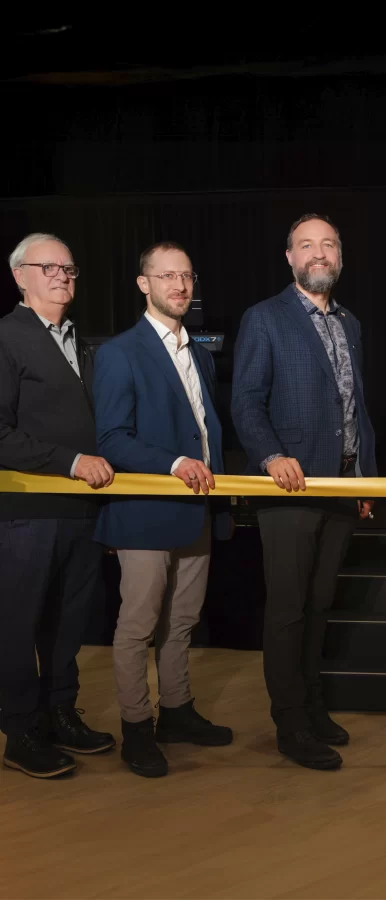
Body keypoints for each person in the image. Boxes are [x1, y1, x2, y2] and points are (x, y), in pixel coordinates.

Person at [231, 214, 376, 771]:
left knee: (319, 606)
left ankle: (312, 707)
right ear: (289, 257)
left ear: (340, 257)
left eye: (329, 245)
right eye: (307, 245)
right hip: (289, 489)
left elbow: (355, 408)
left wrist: (364, 477)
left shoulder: (351, 323)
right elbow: (245, 400)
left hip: (341, 487)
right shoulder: (264, 319)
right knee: (289, 611)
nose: (319, 253)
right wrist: (270, 456)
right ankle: (289, 724)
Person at [93, 241, 233, 779]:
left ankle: (176, 711)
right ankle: (136, 728)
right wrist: (174, 462)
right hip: (145, 511)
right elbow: (111, 439)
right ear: (143, 284)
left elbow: (206, 431)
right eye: (167, 276)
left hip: (196, 510)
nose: (180, 286)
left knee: (182, 622)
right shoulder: (120, 353)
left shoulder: (198, 351)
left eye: (187, 277)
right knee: (138, 625)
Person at [0, 233, 116, 779]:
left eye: (69, 268)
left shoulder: (81, 342)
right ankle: (21, 730)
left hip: (80, 513)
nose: (62, 276)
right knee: (20, 625)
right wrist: (69, 462)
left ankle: (60, 712)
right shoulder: (6, 337)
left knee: (68, 623)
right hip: (27, 513)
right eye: (48, 267)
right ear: (19, 277)